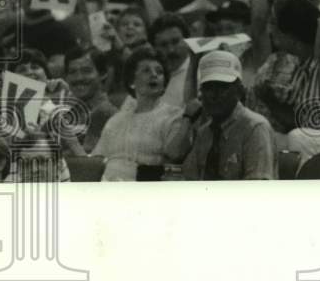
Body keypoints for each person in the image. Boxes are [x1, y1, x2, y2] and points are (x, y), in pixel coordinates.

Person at [169, 50, 276, 180]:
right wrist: (188, 118)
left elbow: (257, 189)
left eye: (222, 87)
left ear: (239, 90)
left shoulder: (255, 128)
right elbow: (184, 171)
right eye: (208, 87)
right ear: (201, 93)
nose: (214, 95)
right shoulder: (204, 133)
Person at [90, 46, 184, 181]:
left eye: (159, 71)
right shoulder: (116, 120)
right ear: (131, 82)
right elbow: (95, 161)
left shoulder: (174, 116)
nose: (154, 74)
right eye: (146, 70)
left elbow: (173, 165)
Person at [63, 47, 118, 152]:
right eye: (72, 72)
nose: (79, 78)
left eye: (86, 71)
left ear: (103, 74)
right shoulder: (69, 112)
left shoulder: (105, 113)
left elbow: (90, 162)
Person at [148, 13, 191, 107]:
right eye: (163, 45)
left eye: (175, 42)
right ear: (154, 49)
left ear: (188, 41)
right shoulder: (147, 77)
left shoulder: (200, 75)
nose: (171, 50)